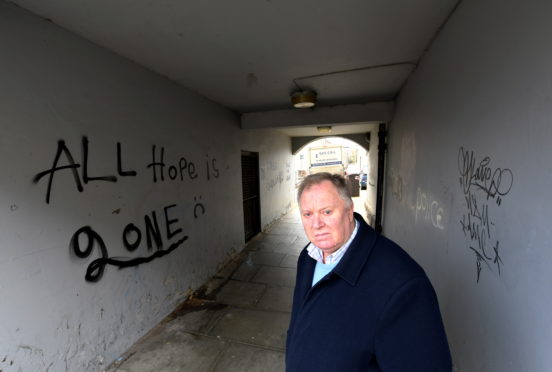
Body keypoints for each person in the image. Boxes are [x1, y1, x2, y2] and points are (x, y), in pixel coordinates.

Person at [286, 172, 452, 372]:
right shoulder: (308, 256)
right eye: (308, 214)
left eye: (327, 212)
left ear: (349, 211)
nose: (316, 224)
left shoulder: (404, 285)